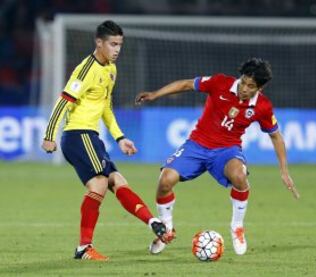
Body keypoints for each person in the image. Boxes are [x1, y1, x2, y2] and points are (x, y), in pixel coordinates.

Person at [135, 57, 300, 256]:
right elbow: (187, 84)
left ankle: (237, 227)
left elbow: (276, 136)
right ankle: (167, 229)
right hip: (197, 144)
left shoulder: (262, 106)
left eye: (251, 86)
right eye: (244, 82)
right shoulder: (220, 82)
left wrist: (284, 171)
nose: (245, 89)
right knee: (165, 180)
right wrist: (155, 95)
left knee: (240, 176)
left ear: (260, 89)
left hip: (227, 150)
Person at [41, 20, 170, 261]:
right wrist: (49, 135)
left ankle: (152, 222)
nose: (117, 49)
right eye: (112, 44)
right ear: (99, 43)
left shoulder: (111, 69)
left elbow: (106, 107)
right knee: (100, 183)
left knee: (117, 181)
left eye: (120, 44)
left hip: (92, 137)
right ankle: (84, 248)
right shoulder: (85, 70)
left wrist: (120, 137)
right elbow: (63, 101)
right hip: (78, 134)